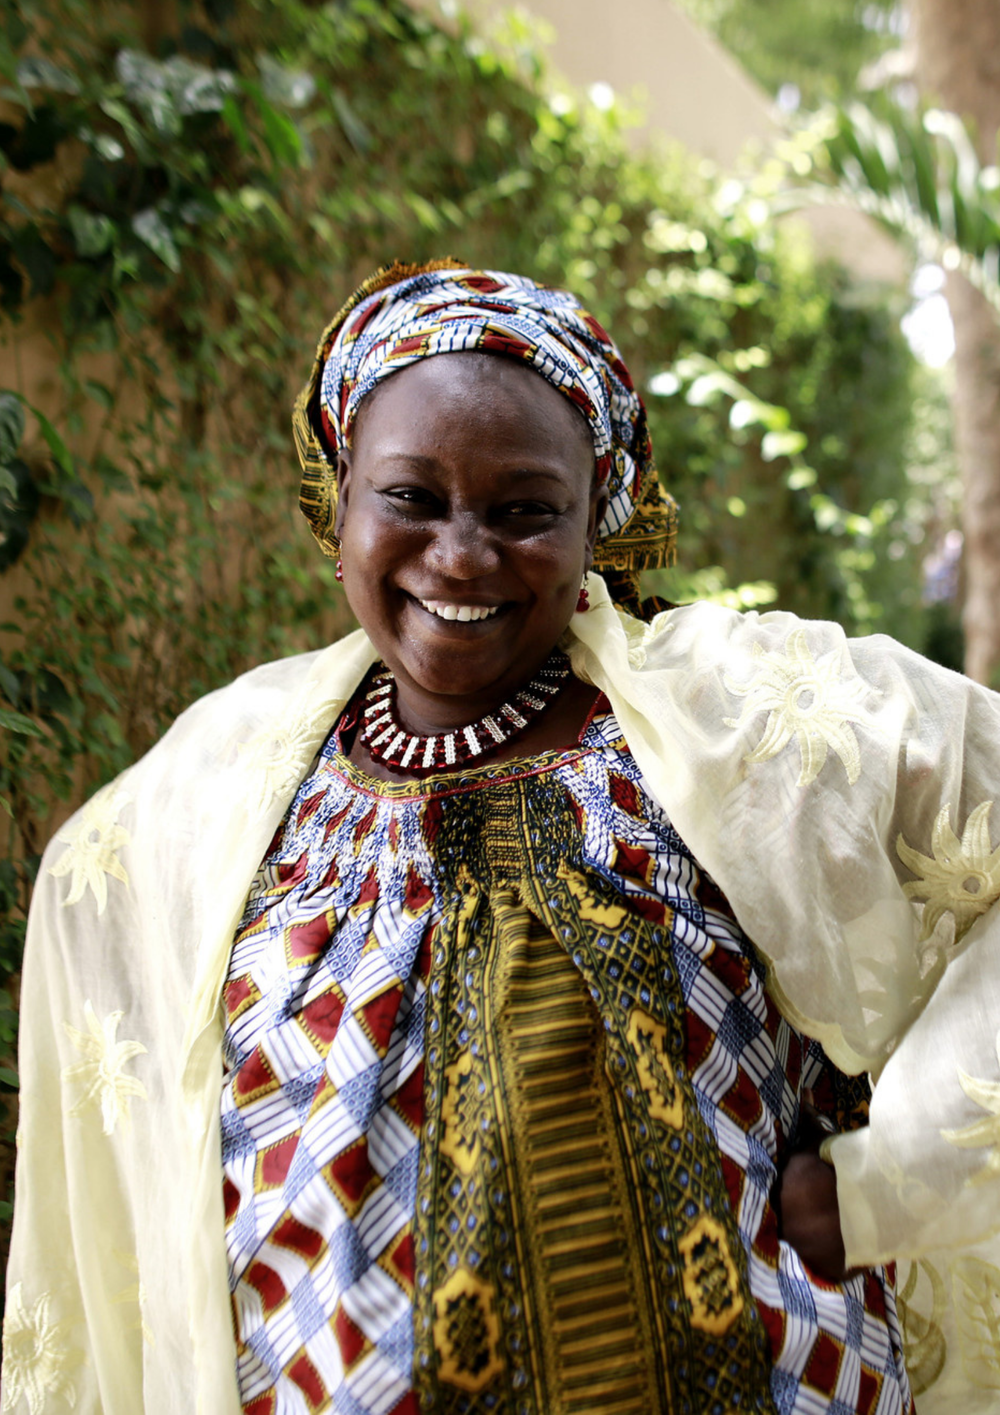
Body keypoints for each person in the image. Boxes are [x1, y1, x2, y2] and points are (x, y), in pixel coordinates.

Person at [4, 260, 1000, 1415]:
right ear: (340, 505)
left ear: (600, 518)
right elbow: (97, 956)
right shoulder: (210, 790)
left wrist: (894, 1179)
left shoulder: (747, 722)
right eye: (412, 499)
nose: (462, 554)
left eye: (525, 509)